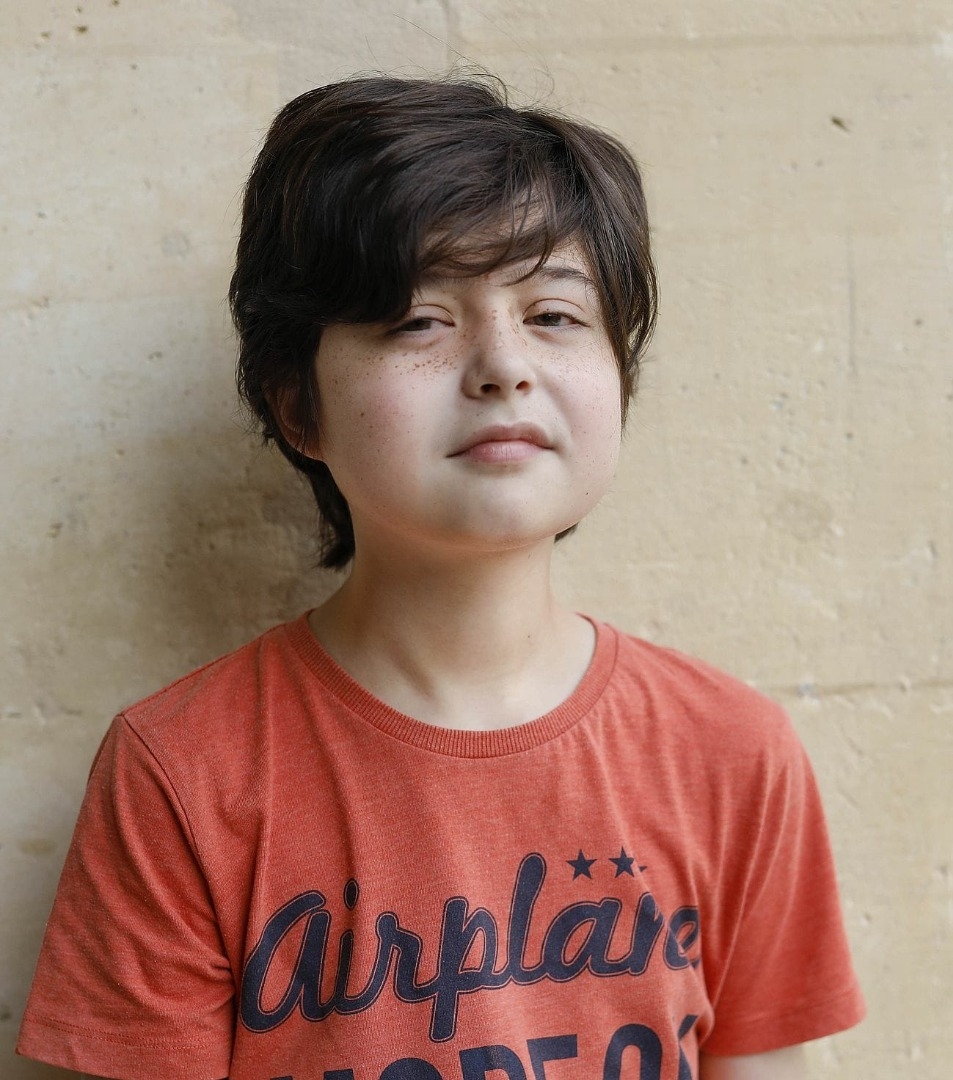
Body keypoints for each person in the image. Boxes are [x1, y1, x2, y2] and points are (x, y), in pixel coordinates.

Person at [17, 75, 864, 1080]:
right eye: (418, 320)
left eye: (554, 314)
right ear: (298, 407)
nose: (502, 365)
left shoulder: (730, 752)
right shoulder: (184, 772)